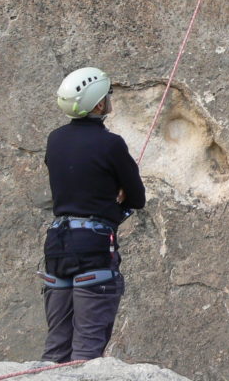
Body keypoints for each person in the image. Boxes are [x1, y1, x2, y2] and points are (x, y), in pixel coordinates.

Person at [39, 67, 146, 362]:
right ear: (99, 105)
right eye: (107, 95)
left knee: (56, 347)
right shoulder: (111, 144)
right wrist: (119, 195)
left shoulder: (54, 139)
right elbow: (137, 198)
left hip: (57, 248)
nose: (109, 99)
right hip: (94, 249)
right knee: (86, 349)